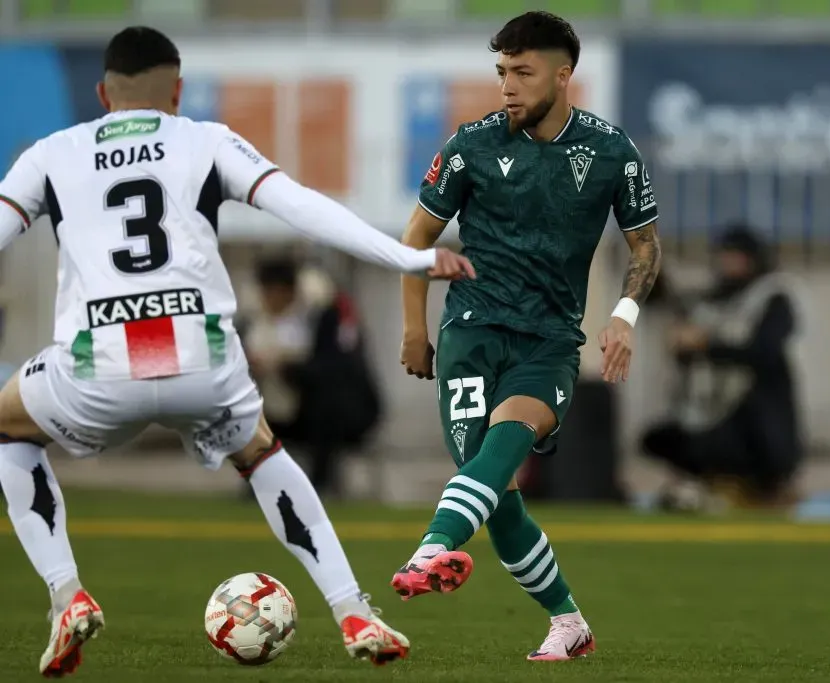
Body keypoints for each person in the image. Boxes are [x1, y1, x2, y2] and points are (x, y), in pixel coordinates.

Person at [0, 26, 474, 677]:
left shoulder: (51, 153)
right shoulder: (206, 140)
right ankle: (352, 609)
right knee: (262, 452)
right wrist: (413, 256)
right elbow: (304, 208)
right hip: (204, 359)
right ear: (179, 91)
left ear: (102, 93)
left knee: (7, 427)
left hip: (99, 365)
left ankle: (65, 593)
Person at [393, 11, 661, 661]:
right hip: (469, 331)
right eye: (501, 73)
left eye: (522, 72)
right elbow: (417, 240)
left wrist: (621, 317)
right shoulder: (470, 146)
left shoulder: (611, 152)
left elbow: (645, 248)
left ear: (563, 75)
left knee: (502, 450)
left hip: (547, 342)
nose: (507, 86)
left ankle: (433, 544)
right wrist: (413, 329)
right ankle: (568, 622)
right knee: (497, 493)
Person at [640, 224, 803, 510]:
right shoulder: (712, 299)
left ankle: (758, 486)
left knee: (725, 438)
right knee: (661, 438)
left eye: (737, 257)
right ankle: (706, 483)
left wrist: (706, 346)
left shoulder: (773, 297)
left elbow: (763, 352)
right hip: (715, 412)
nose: (729, 264)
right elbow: (668, 306)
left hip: (758, 421)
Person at [240, 257, 382, 497]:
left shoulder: (324, 313)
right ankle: (258, 485)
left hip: (337, 414)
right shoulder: (252, 319)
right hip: (279, 409)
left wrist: (287, 367)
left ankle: (320, 484)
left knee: (326, 402)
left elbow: (336, 369)